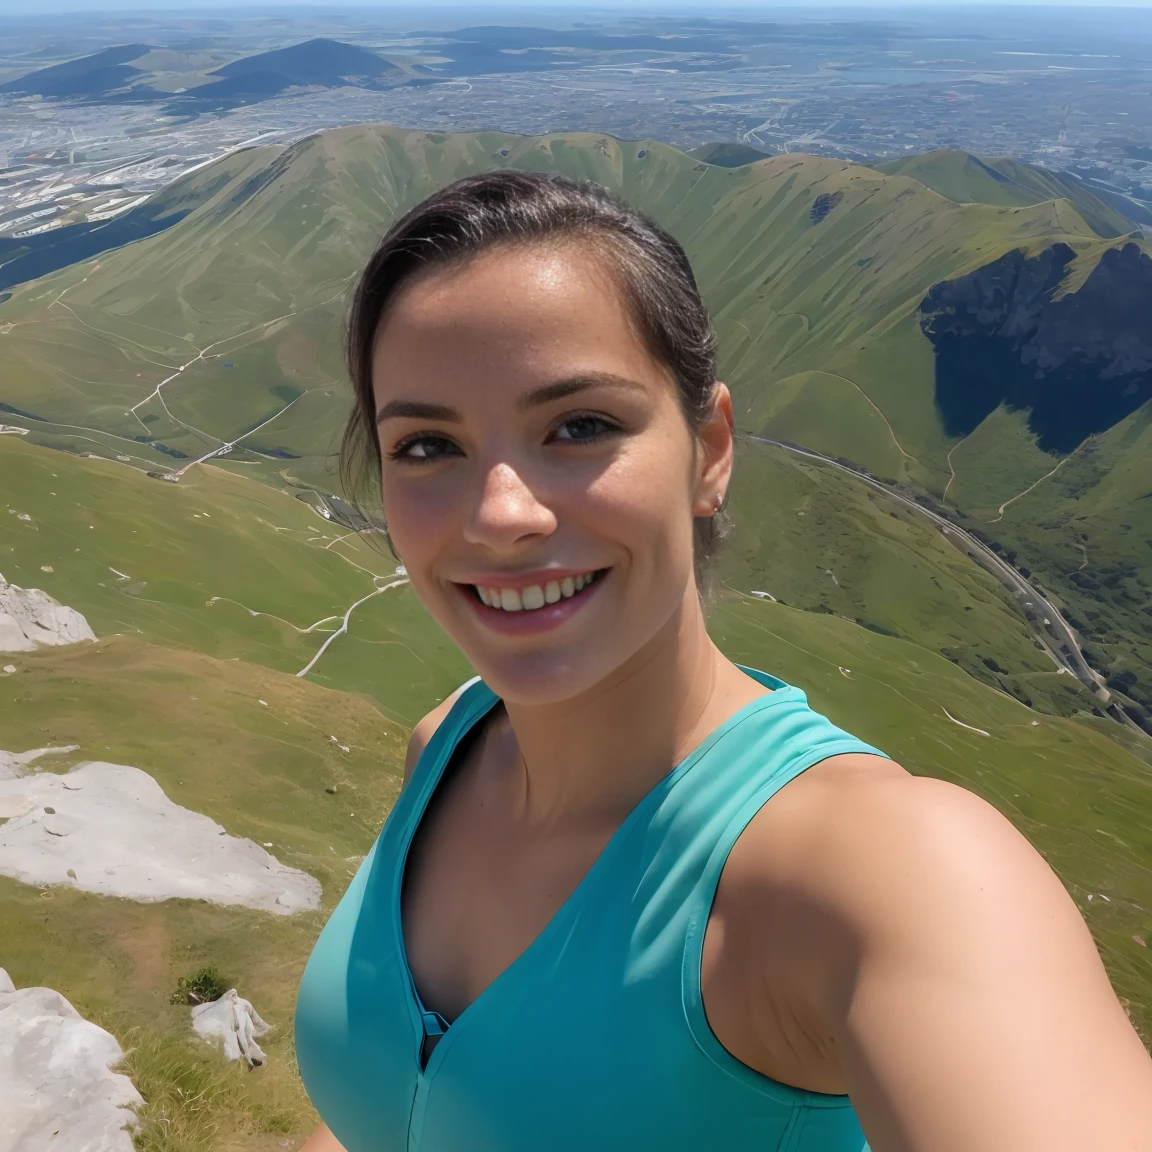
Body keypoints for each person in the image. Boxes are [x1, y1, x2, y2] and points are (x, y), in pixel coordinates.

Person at [294, 170, 1152, 1152]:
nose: (501, 516)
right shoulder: (445, 745)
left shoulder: (888, 873)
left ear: (708, 449)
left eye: (579, 427)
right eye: (425, 446)